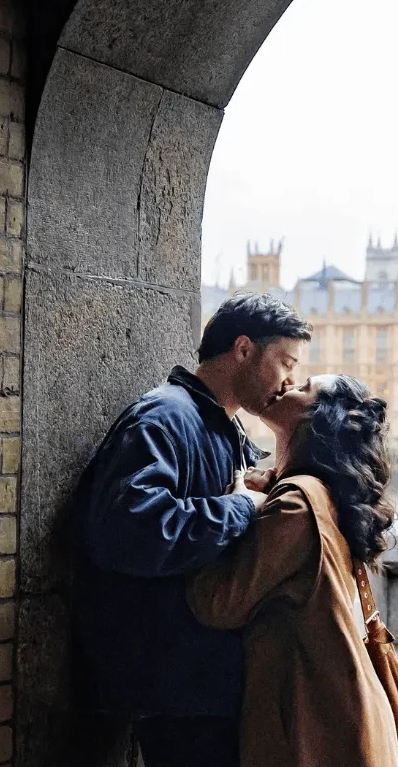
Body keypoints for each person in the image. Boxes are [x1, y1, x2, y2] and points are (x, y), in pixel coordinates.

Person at [71, 293, 311, 767]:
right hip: (174, 683)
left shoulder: (219, 427)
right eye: (285, 362)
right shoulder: (164, 416)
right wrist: (241, 508)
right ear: (243, 349)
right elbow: (132, 531)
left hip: (201, 679)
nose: (289, 381)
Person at [188, 374, 398, 767]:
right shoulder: (322, 493)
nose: (289, 382)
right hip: (349, 718)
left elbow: (217, 603)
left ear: (317, 417)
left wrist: (234, 509)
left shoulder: (297, 505)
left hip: (313, 729)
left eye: (305, 386)